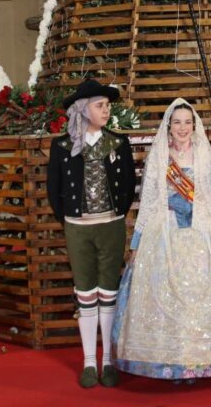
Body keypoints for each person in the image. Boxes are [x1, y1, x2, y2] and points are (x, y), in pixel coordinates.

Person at [112, 99, 211, 383]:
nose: (182, 127)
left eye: (187, 122)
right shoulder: (159, 158)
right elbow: (147, 204)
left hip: (204, 235)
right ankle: (171, 361)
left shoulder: (204, 155)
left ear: (194, 126)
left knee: (201, 298)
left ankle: (199, 360)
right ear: (169, 127)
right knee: (166, 297)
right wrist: (135, 244)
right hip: (165, 233)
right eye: (177, 122)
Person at [47, 79, 136, 389]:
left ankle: (108, 360)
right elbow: (54, 190)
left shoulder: (118, 143)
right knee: (85, 293)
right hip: (77, 229)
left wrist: (116, 214)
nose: (106, 110)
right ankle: (89, 362)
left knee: (108, 291)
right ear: (83, 110)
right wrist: (71, 218)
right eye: (101, 106)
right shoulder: (61, 146)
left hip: (111, 227)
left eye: (108, 106)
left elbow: (127, 187)